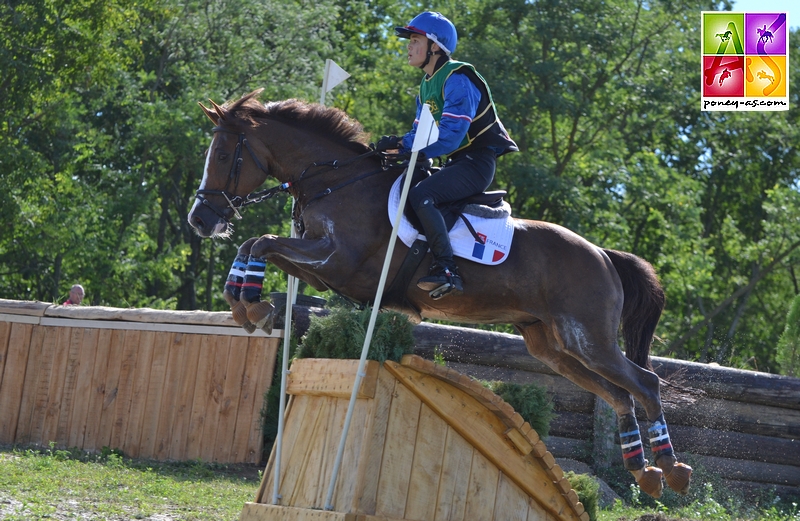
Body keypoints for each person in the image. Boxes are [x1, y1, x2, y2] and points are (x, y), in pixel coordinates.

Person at [374, 11, 518, 299]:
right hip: (456, 163)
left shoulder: (458, 78)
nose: (409, 47)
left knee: (422, 195)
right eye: (410, 41)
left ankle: (447, 268)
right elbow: (421, 136)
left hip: (476, 164)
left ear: (435, 47)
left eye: (415, 40)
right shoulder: (426, 85)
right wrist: (397, 147)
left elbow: (450, 135)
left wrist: (406, 145)